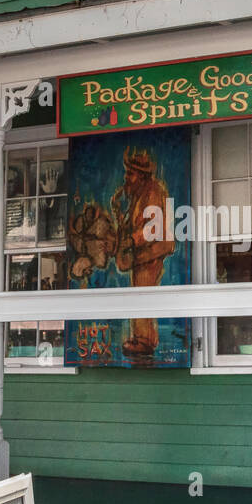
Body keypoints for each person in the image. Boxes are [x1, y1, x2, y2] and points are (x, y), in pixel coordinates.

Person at [112, 148, 174, 358]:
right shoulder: (139, 193)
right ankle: (142, 338)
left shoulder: (154, 192)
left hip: (152, 251)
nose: (126, 178)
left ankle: (145, 341)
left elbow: (154, 228)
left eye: (130, 174)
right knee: (139, 292)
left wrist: (131, 239)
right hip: (143, 252)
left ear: (141, 175)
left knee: (142, 293)